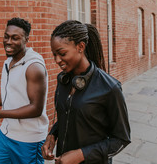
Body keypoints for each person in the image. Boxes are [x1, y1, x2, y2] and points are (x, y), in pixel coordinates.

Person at [42, 20, 131, 164]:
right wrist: (52, 135)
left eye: (62, 53)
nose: (57, 60)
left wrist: (81, 154)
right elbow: (67, 113)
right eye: (54, 55)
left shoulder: (110, 88)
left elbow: (121, 139)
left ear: (80, 47)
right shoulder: (63, 80)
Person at [0, 17, 49, 164]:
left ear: (26, 39)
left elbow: (36, 108)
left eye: (15, 38)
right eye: (6, 37)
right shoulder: (9, 61)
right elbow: (11, 93)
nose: (8, 42)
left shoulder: (34, 67)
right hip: (6, 133)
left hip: (28, 139)